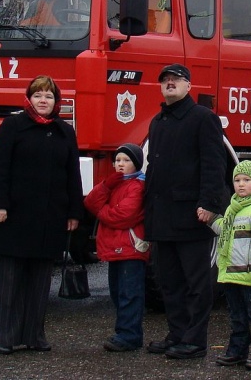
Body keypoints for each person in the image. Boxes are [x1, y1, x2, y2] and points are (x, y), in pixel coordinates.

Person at [0, 75, 84, 355]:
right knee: (10, 279)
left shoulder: (65, 131)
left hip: (50, 217)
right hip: (14, 215)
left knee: (40, 281)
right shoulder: (13, 126)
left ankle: (34, 335)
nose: (44, 101)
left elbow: (72, 175)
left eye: (49, 96)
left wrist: (73, 211)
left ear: (57, 102)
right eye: (38, 95)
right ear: (29, 99)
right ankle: (5, 337)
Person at [144, 63, 228, 360]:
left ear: (188, 86)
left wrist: (209, 205)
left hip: (192, 215)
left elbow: (213, 165)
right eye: (165, 80)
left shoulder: (203, 119)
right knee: (169, 281)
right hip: (162, 216)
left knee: (196, 282)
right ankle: (176, 334)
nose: (170, 83)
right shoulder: (158, 121)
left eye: (176, 80)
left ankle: (194, 341)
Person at [206, 160, 251, 371]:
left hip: (250, 276)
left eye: (247, 180)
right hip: (231, 276)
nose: (241, 184)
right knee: (237, 317)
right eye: (237, 180)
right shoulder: (233, 208)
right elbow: (225, 231)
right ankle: (237, 350)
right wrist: (212, 220)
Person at [84, 143, 150, 352]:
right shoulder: (116, 184)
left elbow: (124, 216)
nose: (120, 164)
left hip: (130, 248)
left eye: (126, 160)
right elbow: (91, 202)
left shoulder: (138, 186)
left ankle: (130, 334)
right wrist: (106, 184)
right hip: (115, 248)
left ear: (137, 164)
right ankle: (123, 331)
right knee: (117, 291)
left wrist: (102, 213)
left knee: (130, 293)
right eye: (118, 160)